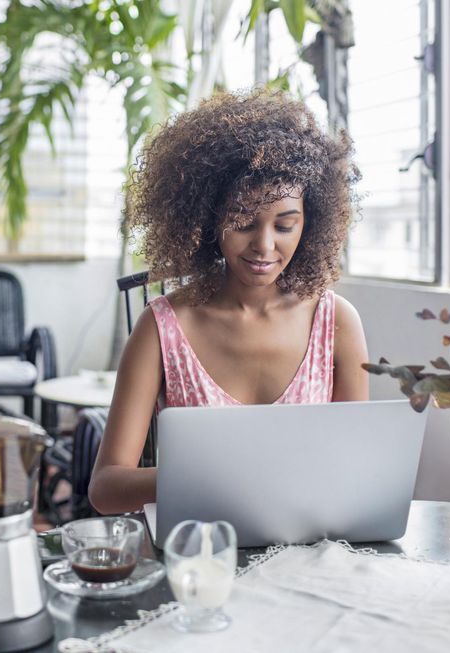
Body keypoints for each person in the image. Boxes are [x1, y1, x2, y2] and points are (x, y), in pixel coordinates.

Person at [88, 90, 369, 515]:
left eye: (285, 225)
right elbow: (107, 488)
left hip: (306, 552)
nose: (264, 245)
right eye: (243, 222)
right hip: (199, 557)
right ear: (208, 217)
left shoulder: (336, 323)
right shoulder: (162, 328)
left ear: (310, 223)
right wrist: (225, 479)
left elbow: (356, 470)